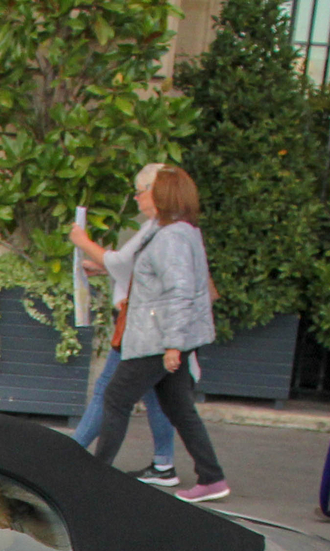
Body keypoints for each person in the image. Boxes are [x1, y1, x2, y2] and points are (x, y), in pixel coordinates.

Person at [88, 166, 229, 502]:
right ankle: (212, 477)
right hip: (164, 336)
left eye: (151, 190)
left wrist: (172, 345)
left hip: (156, 338)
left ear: (165, 195)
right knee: (179, 407)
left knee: (115, 398)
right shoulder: (181, 231)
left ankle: (94, 476)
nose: (143, 195)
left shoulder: (170, 236)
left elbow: (178, 292)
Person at [70, 164, 179, 486]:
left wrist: (83, 241)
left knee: (110, 390)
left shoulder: (158, 228)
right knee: (157, 395)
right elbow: (138, 269)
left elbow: (122, 263)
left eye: (140, 190)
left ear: (155, 192)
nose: (136, 197)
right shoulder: (162, 227)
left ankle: (76, 453)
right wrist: (104, 269)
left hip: (141, 324)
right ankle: (164, 464)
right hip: (147, 323)